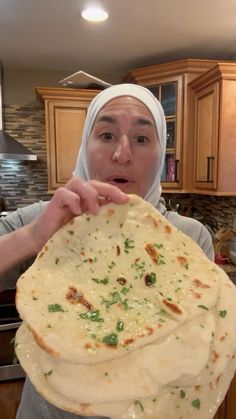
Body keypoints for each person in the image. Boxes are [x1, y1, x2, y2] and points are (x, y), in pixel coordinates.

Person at [0, 83, 214, 419]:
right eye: (106, 135)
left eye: (142, 138)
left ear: (161, 155)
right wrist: (32, 236)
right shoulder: (49, 218)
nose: (122, 153)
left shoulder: (189, 237)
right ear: (86, 147)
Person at [0, 178, 128, 276]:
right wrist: (31, 237)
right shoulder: (43, 217)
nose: (122, 155)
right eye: (107, 140)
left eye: (141, 141)